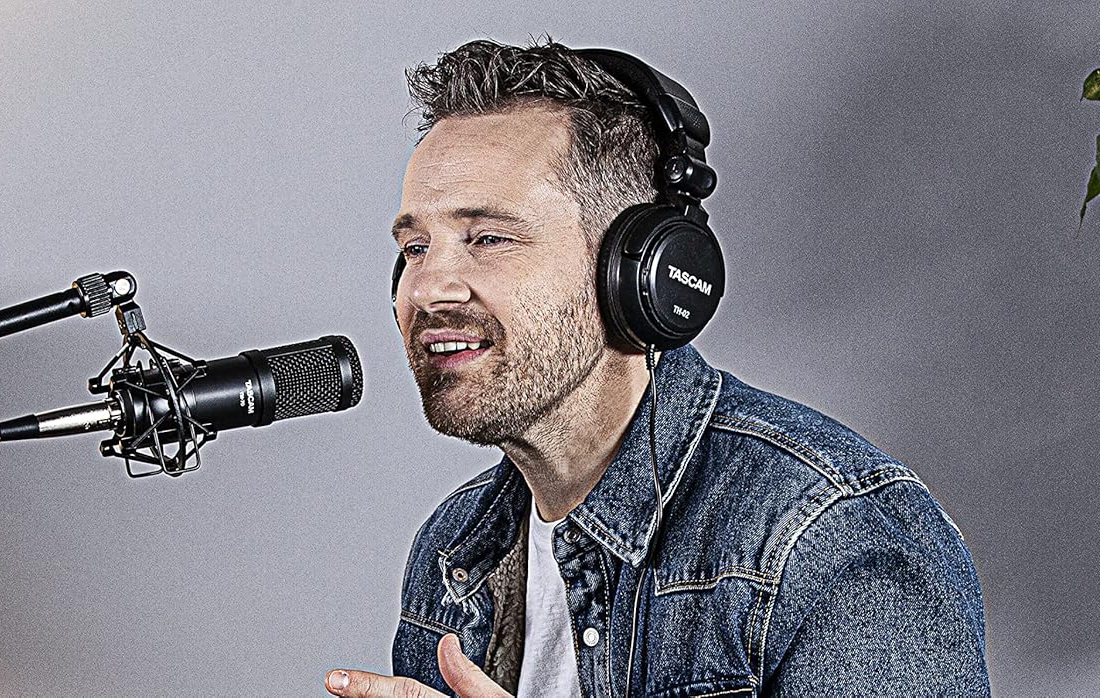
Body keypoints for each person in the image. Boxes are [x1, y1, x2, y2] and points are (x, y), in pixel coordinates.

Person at [325, 39, 988, 697]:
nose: (427, 289)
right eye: (415, 247)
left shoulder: (830, 537)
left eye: (488, 238)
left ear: (643, 269)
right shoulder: (455, 546)